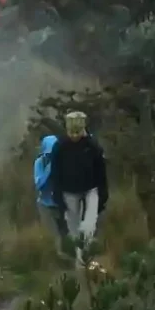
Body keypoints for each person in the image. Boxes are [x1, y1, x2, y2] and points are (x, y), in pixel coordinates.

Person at [50, 111, 109, 268]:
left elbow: (101, 171)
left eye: (78, 132)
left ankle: (87, 253)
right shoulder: (59, 147)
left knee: (89, 224)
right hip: (68, 191)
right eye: (72, 132)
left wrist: (103, 194)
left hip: (91, 188)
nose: (75, 135)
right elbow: (55, 173)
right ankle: (80, 260)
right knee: (73, 226)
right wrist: (57, 197)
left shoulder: (93, 146)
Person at [34, 135, 68, 257]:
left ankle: (69, 258)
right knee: (53, 235)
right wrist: (48, 170)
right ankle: (55, 258)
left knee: (66, 233)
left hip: (61, 204)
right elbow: (39, 185)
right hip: (45, 205)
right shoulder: (39, 163)